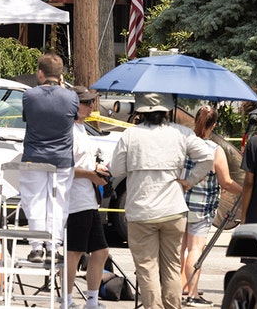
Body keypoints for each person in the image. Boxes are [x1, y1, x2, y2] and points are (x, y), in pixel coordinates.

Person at [109, 92, 214, 309]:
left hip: (141, 210)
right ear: (167, 111)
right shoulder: (181, 133)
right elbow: (207, 157)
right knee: (172, 267)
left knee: (147, 269)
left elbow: (117, 168)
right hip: (174, 209)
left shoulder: (130, 135)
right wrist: (189, 181)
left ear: (141, 112)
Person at [179, 106, 242, 307]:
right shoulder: (215, 150)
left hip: (179, 202)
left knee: (179, 249)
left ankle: (179, 287)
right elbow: (225, 182)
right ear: (214, 125)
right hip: (202, 206)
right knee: (196, 249)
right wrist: (245, 191)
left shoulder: (184, 143)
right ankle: (193, 294)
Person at [20, 53, 78, 262]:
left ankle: (36, 247)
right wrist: (62, 88)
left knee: (34, 199)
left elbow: (28, 118)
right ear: (61, 75)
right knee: (59, 202)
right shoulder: (71, 97)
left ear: (40, 73)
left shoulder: (29, 95)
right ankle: (54, 246)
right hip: (62, 158)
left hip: (34, 156)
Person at [65, 87, 110, 309]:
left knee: (101, 251)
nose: (91, 106)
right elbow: (66, 167)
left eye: (92, 102)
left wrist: (97, 169)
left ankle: (91, 301)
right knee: (73, 252)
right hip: (75, 201)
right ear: (75, 104)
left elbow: (82, 163)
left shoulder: (82, 128)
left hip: (89, 199)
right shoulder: (69, 130)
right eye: (86, 102)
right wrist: (92, 174)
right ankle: (67, 300)